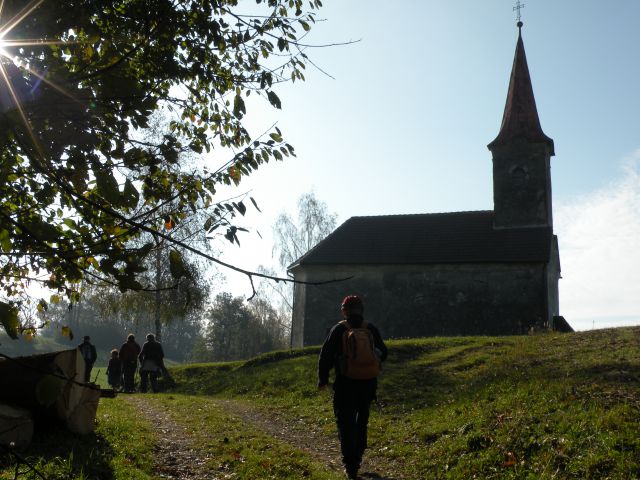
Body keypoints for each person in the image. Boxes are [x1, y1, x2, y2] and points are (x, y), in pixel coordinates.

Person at [318, 295, 387, 480]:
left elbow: (325, 356)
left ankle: (350, 466)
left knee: (345, 423)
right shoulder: (370, 328)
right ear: (361, 309)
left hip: (345, 385)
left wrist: (323, 379)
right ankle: (357, 458)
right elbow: (384, 353)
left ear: (344, 311)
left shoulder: (339, 329)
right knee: (361, 422)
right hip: (368, 384)